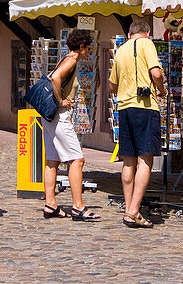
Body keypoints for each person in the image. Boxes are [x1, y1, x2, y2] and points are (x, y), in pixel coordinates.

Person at [109, 16, 166, 229]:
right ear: (147, 33)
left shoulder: (121, 50)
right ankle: (134, 210)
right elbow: (156, 72)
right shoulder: (146, 44)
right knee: (145, 159)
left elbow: (111, 86)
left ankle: (128, 211)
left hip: (123, 109)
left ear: (128, 34)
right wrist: (161, 89)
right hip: (145, 107)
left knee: (128, 160)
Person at [40, 28, 99, 222]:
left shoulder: (65, 58)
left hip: (49, 117)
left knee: (52, 160)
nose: (88, 52)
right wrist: (60, 101)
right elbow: (55, 78)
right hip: (59, 116)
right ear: (81, 47)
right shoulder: (72, 60)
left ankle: (50, 204)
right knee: (77, 159)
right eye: (87, 48)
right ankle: (78, 206)